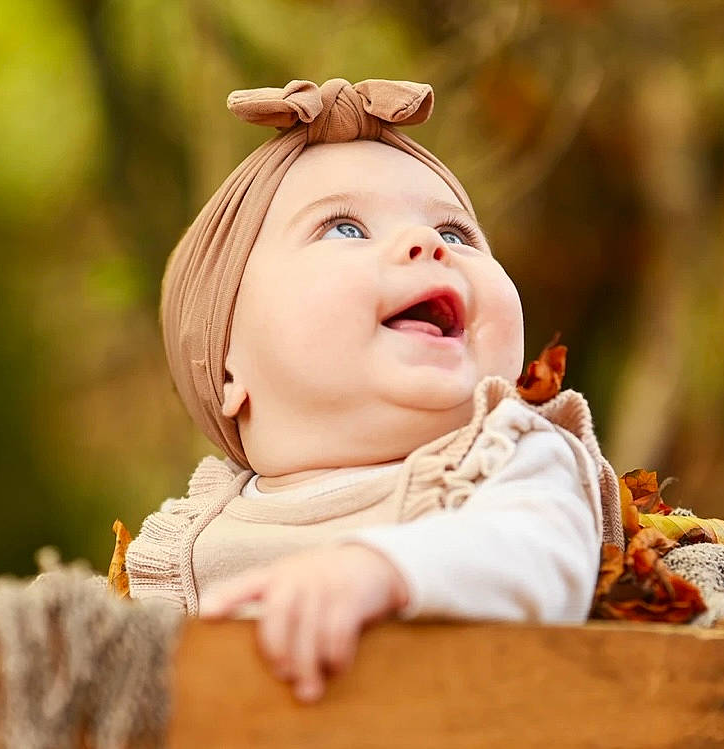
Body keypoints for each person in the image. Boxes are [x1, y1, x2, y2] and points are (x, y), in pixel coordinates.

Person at [124, 78, 622, 703]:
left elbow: (541, 558)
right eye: (345, 229)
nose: (430, 245)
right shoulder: (194, 541)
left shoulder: (507, 464)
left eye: (460, 234)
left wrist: (385, 570)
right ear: (227, 368)